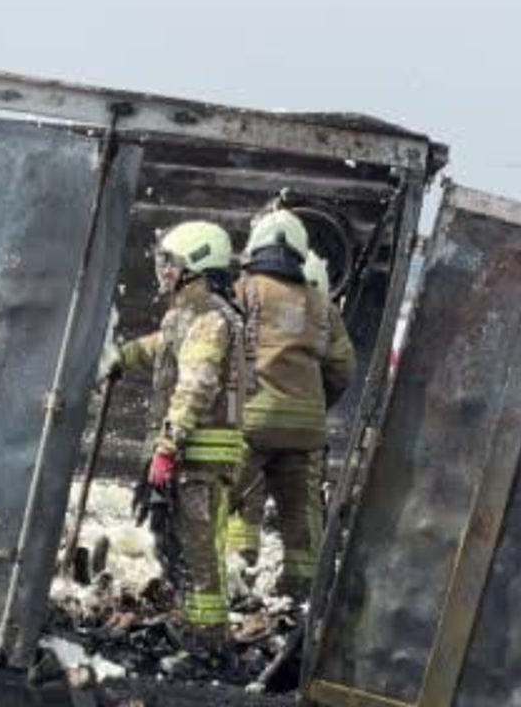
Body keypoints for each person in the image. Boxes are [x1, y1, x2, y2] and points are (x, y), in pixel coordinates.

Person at [106, 220, 246, 658]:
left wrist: (168, 448)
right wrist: (120, 358)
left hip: (198, 459)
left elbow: (196, 386)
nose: (163, 271)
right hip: (187, 456)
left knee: (199, 554)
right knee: (175, 545)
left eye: (173, 263)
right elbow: (159, 346)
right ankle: (192, 624)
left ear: (197, 267)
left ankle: (209, 644)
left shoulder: (210, 319)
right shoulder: (185, 314)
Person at [225, 210, 355, 600]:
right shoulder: (322, 304)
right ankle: (302, 595)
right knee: (302, 518)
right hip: (304, 430)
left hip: (250, 421)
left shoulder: (243, 291)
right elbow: (342, 368)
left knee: (232, 504)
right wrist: (313, 404)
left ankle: (235, 578)